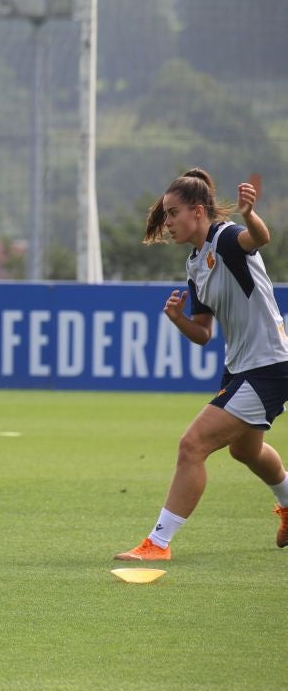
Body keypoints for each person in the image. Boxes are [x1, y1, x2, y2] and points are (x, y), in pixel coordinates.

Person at [116, 169, 288, 561]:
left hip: (270, 364)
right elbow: (204, 333)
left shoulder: (225, 237)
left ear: (197, 211)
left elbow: (259, 238)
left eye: (172, 213)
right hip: (242, 366)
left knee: (192, 445)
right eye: (165, 215)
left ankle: (158, 543)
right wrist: (179, 319)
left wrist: (248, 213)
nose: (167, 223)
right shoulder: (196, 264)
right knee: (245, 451)